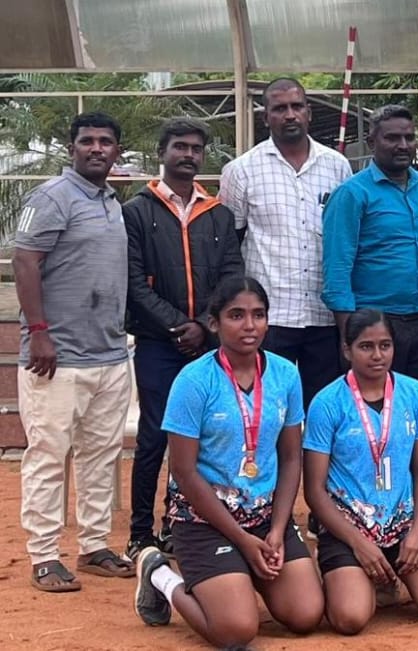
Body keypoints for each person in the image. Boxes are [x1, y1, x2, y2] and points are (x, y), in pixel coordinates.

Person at [133, 277, 323, 647]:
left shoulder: (285, 374)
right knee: (235, 632)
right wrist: (241, 540)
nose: (249, 326)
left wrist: (278, 529)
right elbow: (183, 473)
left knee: (305, 615)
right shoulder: (194, 380)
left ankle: (238, 575)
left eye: (258, 315)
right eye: (236, 315)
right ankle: (161, 576)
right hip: (204, 521)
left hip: (265, 518)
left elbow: (289, 458)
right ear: (214, 322)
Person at [17, 111, 135, 592]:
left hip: (109, 355)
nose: (96, 148)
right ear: (73, 148)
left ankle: (93, 545)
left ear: (116, 151)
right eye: (87, 140)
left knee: (101, 456)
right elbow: (25, 261)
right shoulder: (51, 197)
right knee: (48, 455)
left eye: (106, 141)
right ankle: (44, 556)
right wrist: (39, 331)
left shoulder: (111, 201)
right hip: (57, 357)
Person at [124, 117, 244, 561]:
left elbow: (232, 275)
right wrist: (179, 326)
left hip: (208, 344)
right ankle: (140, 532)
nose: (188, 154)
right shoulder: (137, 211)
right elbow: (135, 283)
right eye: (180, 146)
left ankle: (181, 525)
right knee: (155, 436)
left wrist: (204, 325)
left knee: (203, 439)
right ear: (162, 152)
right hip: (159, 344)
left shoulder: (219, 214)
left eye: (196, 148)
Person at [302, 309, 418, 632]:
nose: (377, 355)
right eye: (366, 346)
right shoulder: (327, 402)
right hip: (348, 528)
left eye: (385, 345)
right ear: (347, 350)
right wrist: (358, 543)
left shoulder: (413, 392)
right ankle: (340, 574)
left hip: (401, 523)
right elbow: (314, 491)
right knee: (351, 618)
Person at [219, 77, 351, 406]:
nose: (289, 114)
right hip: (269, 319)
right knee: (267, 410)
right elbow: (229, 245)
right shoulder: (241, 170)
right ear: (266, 117)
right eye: (280, 108)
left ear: (308, 112)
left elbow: (347, 241)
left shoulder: (337, 166)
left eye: (296, 106)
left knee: (322, 411)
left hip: (324, 315)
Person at [322, 104, 418, 396]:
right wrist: (350, 338)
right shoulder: (352, 194)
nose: (403, 145)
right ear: (372, 142)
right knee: (379, 410)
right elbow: (337, 273)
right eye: (392, 138)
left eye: (409, 137)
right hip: (376, 325)